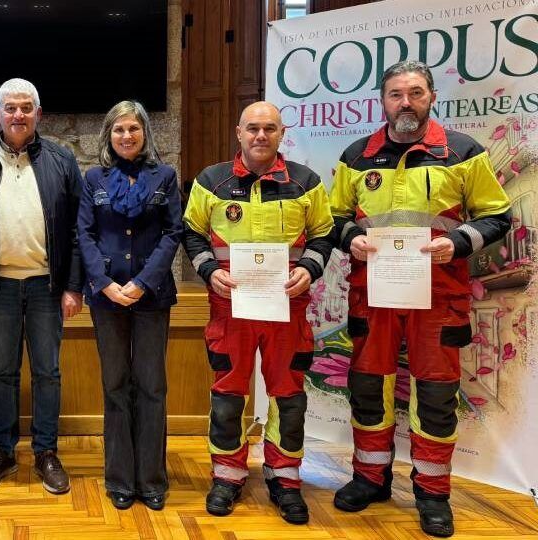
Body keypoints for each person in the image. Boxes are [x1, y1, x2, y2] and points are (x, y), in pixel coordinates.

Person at [329, 60, 511, 538]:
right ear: (382, 101)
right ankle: (370, 478)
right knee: (369, 388)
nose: (405, 102)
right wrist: (351, 238)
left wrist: (462, 241)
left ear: (432, 96)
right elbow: (332, 218)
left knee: (434, 396)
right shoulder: (356, 156)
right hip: (374, 296)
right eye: (395, 94)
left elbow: (497, 216)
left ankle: (433, 493)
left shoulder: (463, 153)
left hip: (439, 295)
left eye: (414, 92)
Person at [183, 101, 334, 524]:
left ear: (282, 133)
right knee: (229, 398)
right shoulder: (212, 181)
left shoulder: (306, 183)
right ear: (238, 132)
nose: (260, 136)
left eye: (269, 128)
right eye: (252, 128)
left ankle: (285, 479)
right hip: (230, 311)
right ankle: (227, 477)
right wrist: (209, 270)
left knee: (289, 399)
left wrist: (309, 268)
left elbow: (324, 234)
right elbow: (191, 234)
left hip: (288, 310)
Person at [0, 78, 84, 494]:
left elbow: (76, 232)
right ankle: (3, 450)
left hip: (49, 287)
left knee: (48, 371)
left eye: (26, 108)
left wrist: (73, 286)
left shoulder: (63, 161)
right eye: (10, 108)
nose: (18, 115)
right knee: (3, 371)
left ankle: (46, 452)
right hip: (0, 287)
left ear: (38, 115)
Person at [77, 100, 182, 510]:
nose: (126, 136)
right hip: (106, 299)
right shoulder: (94, 178)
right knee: (115, 385)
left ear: (145, 134)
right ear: (109, 135)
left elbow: (173, 233)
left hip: (152, 296)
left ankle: (152, 479)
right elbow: (83, 234)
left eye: (133, 129)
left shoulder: (165, 176)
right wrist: (103, 284)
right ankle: (120, 477)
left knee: (152, 387)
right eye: (119, 129)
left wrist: (141, 282)